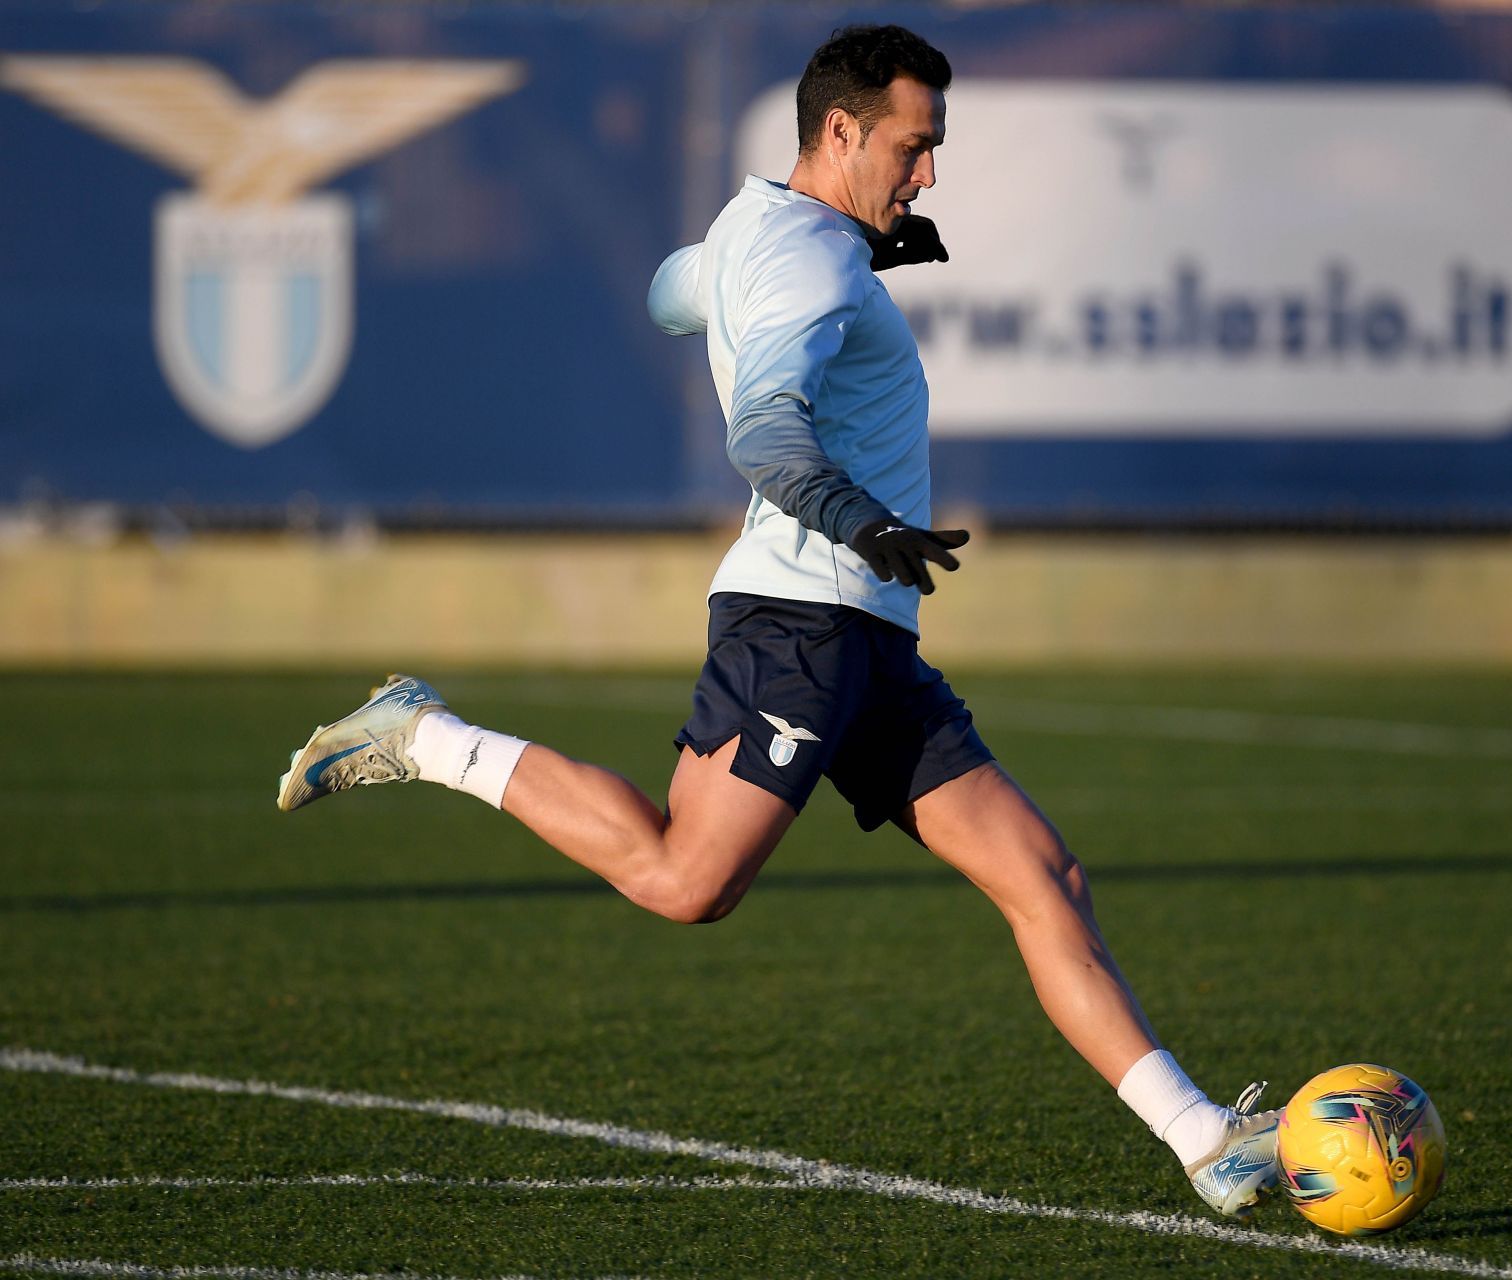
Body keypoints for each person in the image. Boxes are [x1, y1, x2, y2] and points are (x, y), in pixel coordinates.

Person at [274, 24, 1282, 1220]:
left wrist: (814, 262)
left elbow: (667, 293)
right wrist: (859, 512)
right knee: (683, 878)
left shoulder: (765, 234)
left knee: (1043, 872)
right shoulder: (809, 262)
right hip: (802, 621)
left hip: (868, 638)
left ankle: (1204, 1137)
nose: (929, 174)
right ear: (841, 129)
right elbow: (763, 430)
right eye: (913, 147)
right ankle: (426, 734)